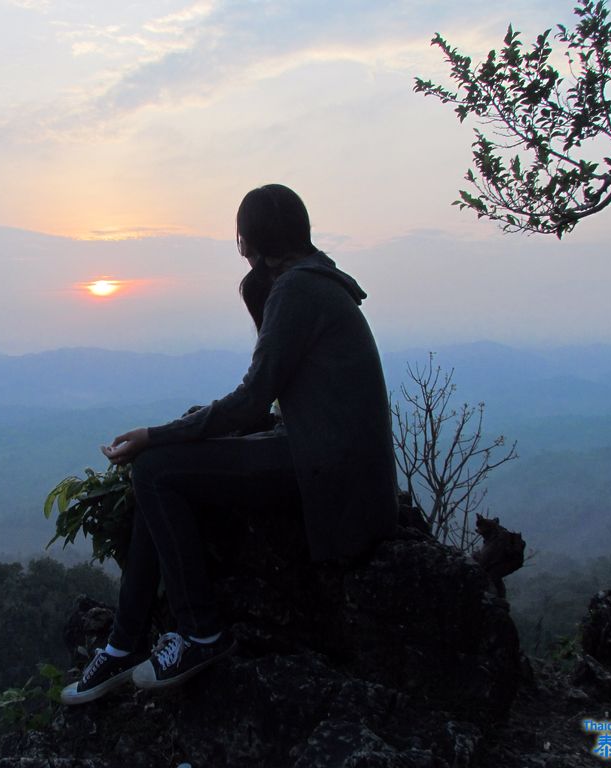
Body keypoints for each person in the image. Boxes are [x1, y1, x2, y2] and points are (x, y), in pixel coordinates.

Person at [60, 184, 398, 705]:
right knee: (161, 467)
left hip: (325, 471)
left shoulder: (297, 290)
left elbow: (250, 402)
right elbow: (270, 402)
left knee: (154, 470)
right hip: (333, 460)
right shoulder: (315, 280)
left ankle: (199, 633)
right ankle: (125, 642)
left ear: (250, 242)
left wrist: (157, 434)